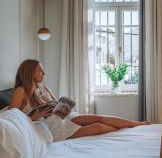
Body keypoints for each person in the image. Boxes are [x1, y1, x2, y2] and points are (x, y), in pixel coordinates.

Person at [10, 59, 149, 141]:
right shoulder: (21, 91)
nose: (44, 73)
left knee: (101, 118)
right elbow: (13, 118)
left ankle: (138, 125)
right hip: (55, 129)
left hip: (63, 117)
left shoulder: (44, 88)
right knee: (99, 127)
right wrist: (35, 116)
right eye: (40, 70)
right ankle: (128, 132)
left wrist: (61, 105)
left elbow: (56, 105)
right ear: (30, 72)